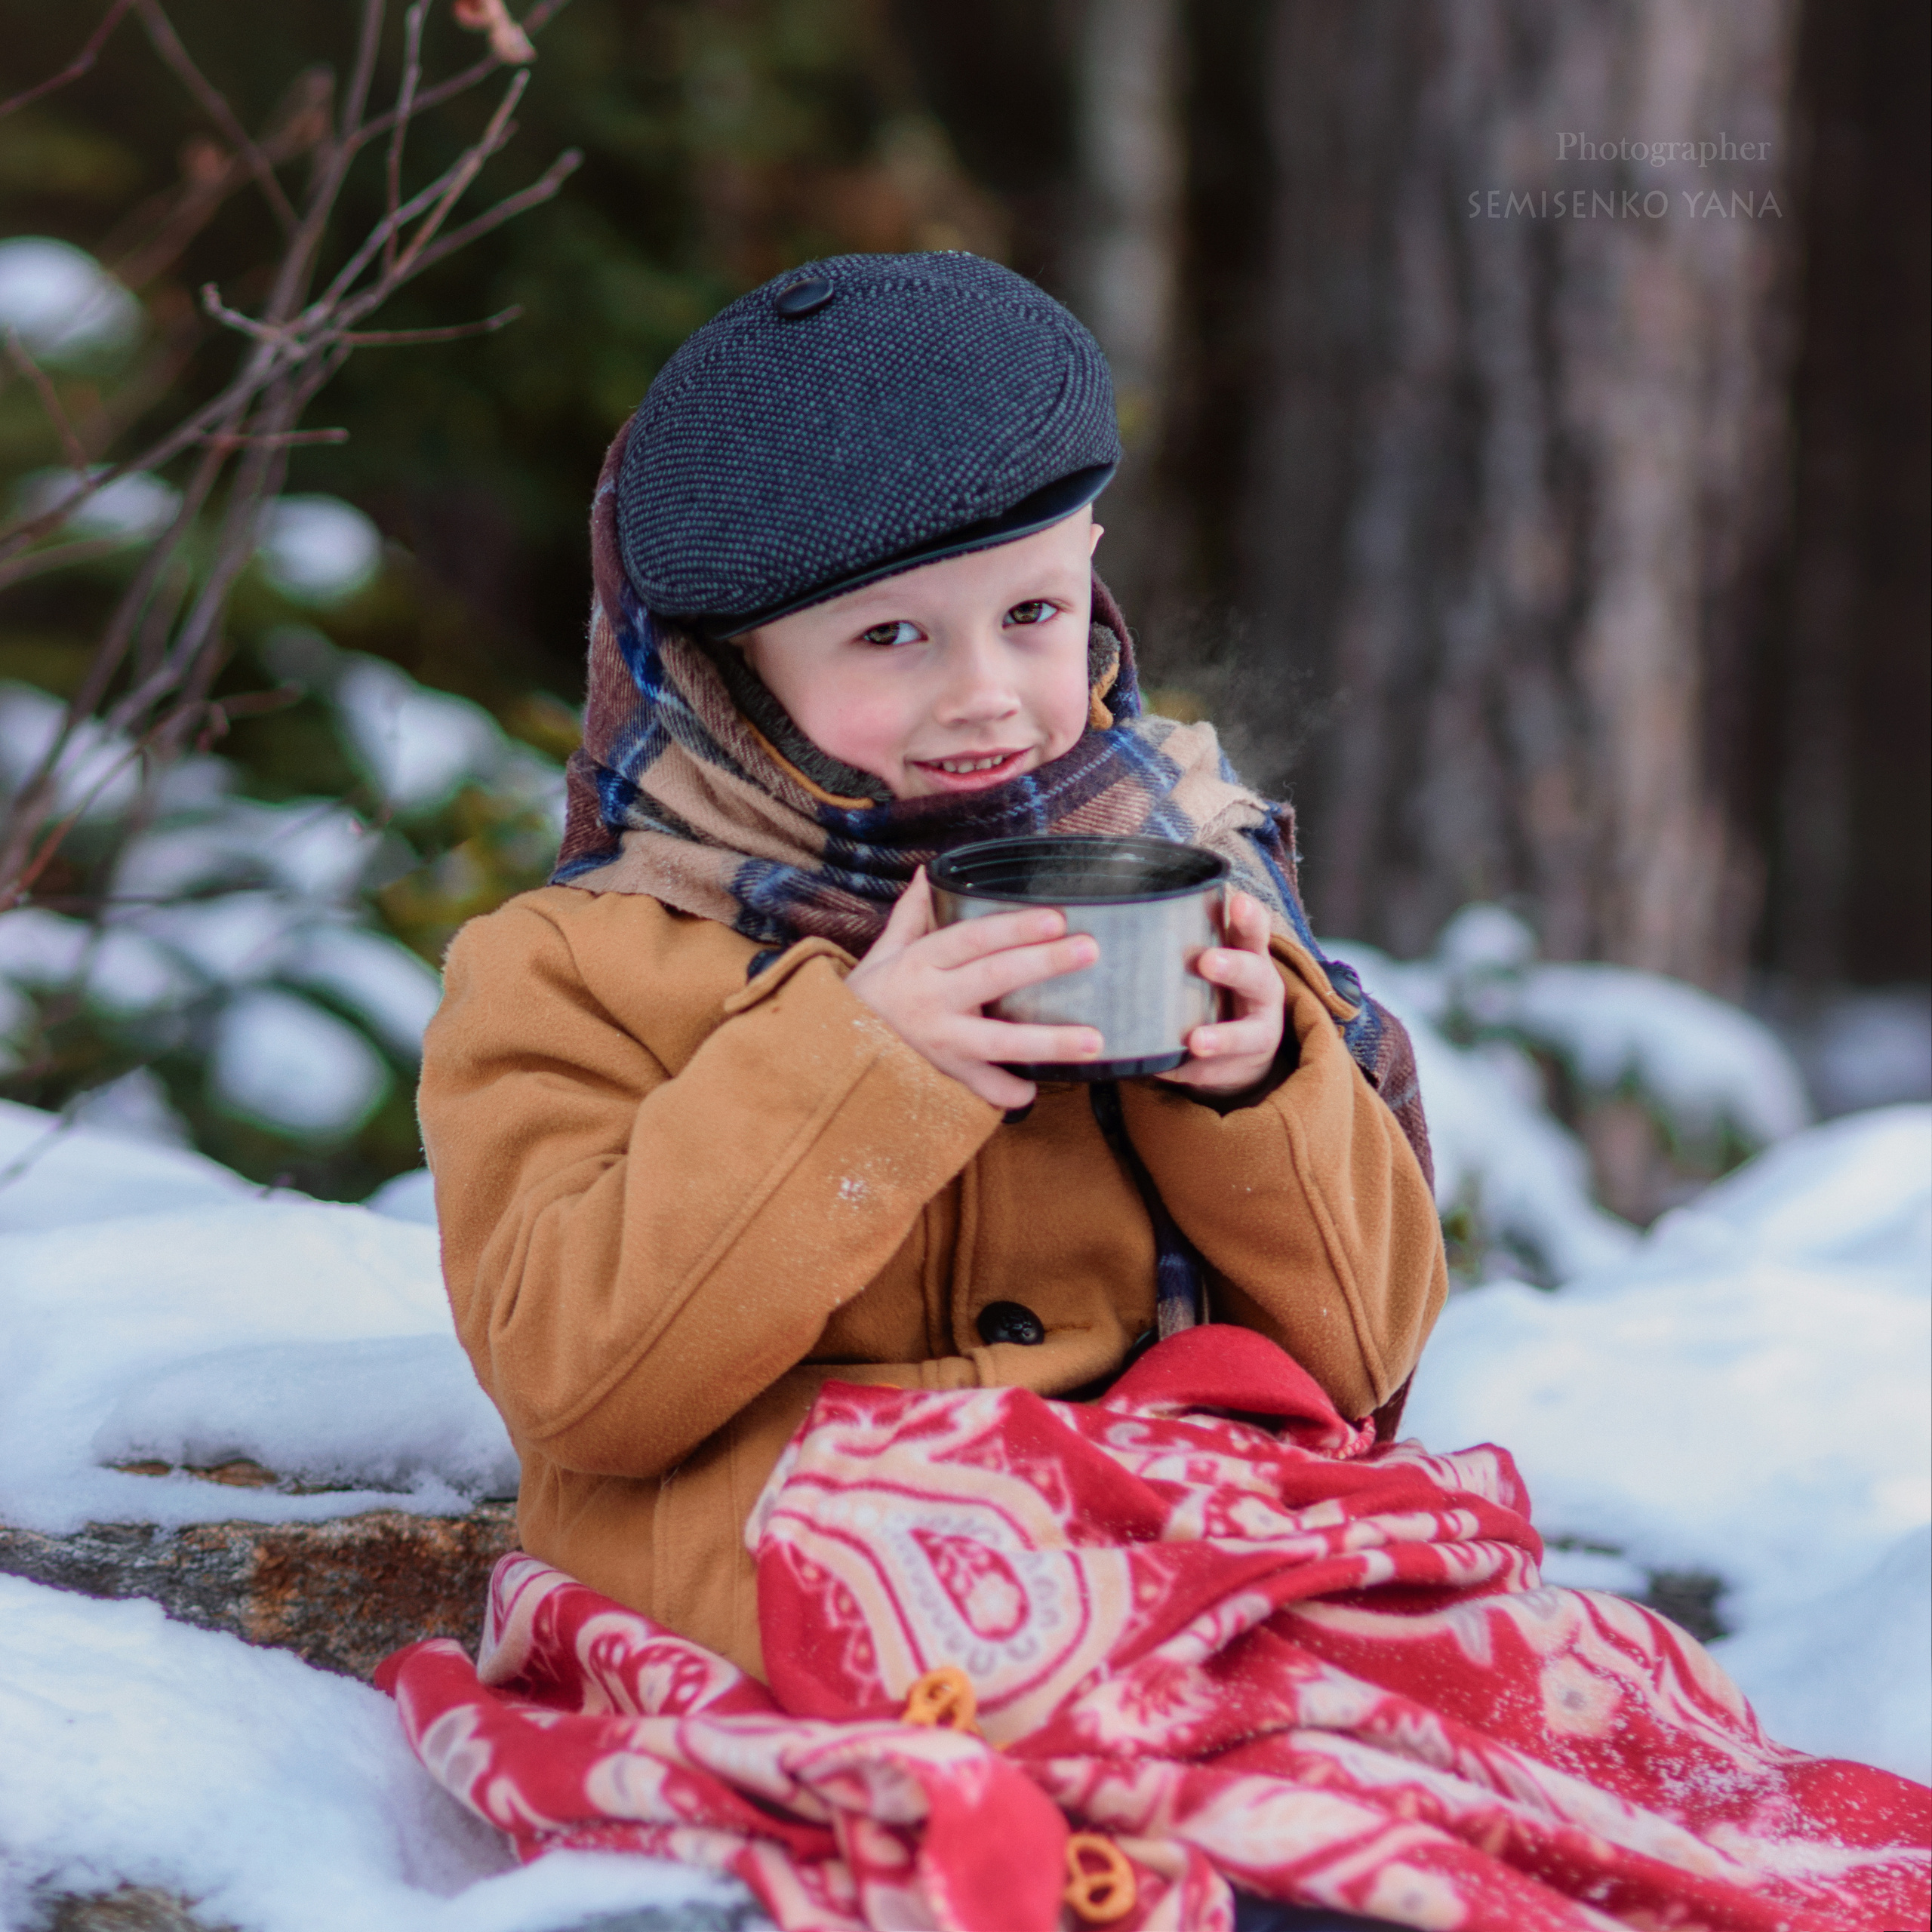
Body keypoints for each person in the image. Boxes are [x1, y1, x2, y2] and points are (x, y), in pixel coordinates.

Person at [418, 250, 1446, 1686]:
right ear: (723, 672)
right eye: (892, 636)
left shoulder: (1186, 870)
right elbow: (574, 1385)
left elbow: (1363, 1358)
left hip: (1171, 1567)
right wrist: (863, 1075)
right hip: (814, 1614)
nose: (985, 695)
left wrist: (1261, 1084)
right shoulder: (569, 970)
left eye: (1029, 616)